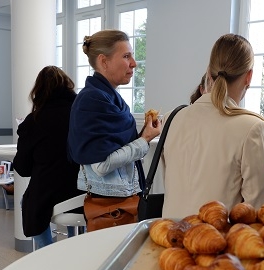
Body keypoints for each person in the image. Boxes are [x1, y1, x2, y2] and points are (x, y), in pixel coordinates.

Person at [162, 34, 264, 218]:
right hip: (218, 241)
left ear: (209, 72)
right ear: (249, 77)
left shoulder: (171, 118)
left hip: (171, 236)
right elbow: (260, 208)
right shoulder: (252, 127)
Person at [68, 30, 161, 228]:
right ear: (104, 61)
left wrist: (143, 134)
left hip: (121, 200)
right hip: (112, 207)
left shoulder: (109, 97)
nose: (134, 63)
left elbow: (117, 145)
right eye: (126, 56)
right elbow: (102, 165)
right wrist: (144, 140)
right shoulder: (93, 100)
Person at [13, 66, 82, 249]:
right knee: (78, 210)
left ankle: (47, 251)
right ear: (68, 86)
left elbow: (23, 169)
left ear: (39, 91)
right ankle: (79, 245)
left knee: (26, 202)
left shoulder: (34, 121)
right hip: (83, 190)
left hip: (48, 193)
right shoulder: (82, 114)